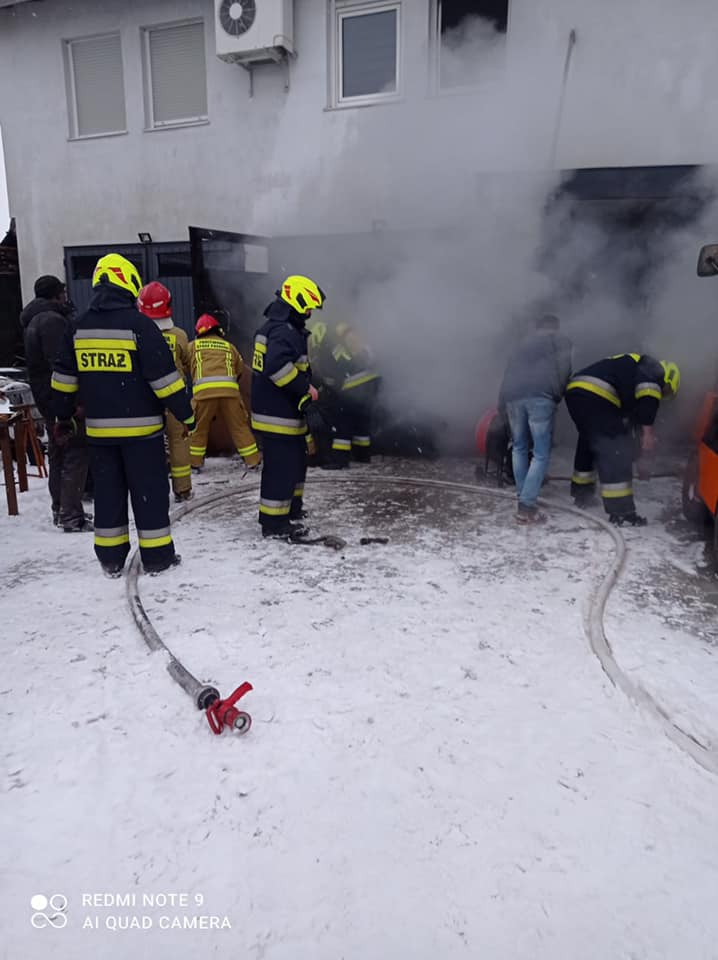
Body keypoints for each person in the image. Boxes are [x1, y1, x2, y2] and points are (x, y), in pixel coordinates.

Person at [51, 253, 195, 576]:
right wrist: (186, 415)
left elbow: (62, 381)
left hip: (100, 436)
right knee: (149, 495)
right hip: (142, 436)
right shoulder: (139, 326)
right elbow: (166, 381)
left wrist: (63, 417)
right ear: (127, 283)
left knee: (108, 495)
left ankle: (111, 558)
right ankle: (158, 558)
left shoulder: (78, 327)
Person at [251, 274, 327, 540]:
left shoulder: (274, 328)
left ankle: (290, 510)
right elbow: (275, 368)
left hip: (278, 412)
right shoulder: (284, 331)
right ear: (296, 302)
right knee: (281, 469)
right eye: (307, 308)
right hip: (277, 415)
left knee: (294, 464)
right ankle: (273, 524)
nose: (308, 314)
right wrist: (304, 388)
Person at [565, 353, 680, 525]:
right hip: (598, 394)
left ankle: (583, 494)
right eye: (666, 391)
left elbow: (633, 426)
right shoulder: (653, 370)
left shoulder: (633, 374)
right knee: (616, 450)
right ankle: (622, 513)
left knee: (590, 441)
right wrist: (648, 436)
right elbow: (648, 399)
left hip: (576, 391)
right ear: (669, 377)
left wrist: (642, 457)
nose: (662, 395)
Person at [21, 274, 90, 531]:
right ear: (55, 295)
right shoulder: (52, 322)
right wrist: (73, 404)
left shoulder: (34, 320)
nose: (66, 296)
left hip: (48, 399)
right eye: (62, 292)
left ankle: (60, 509)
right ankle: (70, 515)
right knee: (75, 450)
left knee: (59, 452)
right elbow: (63, 366)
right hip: (61, 400)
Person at [498, 313, 573, 524]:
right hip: (541, 397)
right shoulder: (561, 341)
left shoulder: (521, 344)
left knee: (519, 447)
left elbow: (508, 372)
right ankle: (527, 506)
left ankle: (523, 496)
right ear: (555, 327)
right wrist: (557, 394)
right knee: (541, 452)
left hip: (513, 397)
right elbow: (564, 371)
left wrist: (501, 401)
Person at [137, 282, 193, 502]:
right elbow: (188, 365)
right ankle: (182, 488)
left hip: (146, 400)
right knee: (178, 440)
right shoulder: (179, 335)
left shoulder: (136, 334)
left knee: (149, 445)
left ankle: (152, 491)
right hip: (174, 398)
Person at [187, 313, 260, 472]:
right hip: (230, 393)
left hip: (203, 394)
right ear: (218, 330)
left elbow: (184, 365)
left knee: (199, 428)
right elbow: (239, 369)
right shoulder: (229, 346)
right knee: (239, 427)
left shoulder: (192, 346)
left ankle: (195, 464)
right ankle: (253, 461)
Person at [307, 318, 380, 469]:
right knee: (361, 420)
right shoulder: (347, 341)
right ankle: (362, 455)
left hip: (354, 384)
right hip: (371, 383)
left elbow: (334, 375)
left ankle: (340, 460)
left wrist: (326, 387)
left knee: (342, 421)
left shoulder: (329, 349)